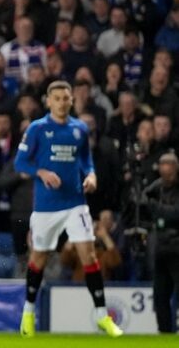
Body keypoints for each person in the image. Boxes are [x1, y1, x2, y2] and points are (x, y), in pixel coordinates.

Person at [14, 80, 123, 338]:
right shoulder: (37, 128)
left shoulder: (80, 128)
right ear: (49, 101)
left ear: (72, 100)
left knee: (89, 255)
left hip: (76, 203)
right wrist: (41, 171)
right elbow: (20, 162)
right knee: (38, 258)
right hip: (46, 206)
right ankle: (28, 313)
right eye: (58, 98)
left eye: (66, 98)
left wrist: (92, 175)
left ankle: (102, 316)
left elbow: (86, 160)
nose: (62, 102)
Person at [143, 152, 179, 333]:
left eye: (170, 168)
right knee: (160, 296)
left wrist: (156, 209)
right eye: (163, 168)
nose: (166, 173)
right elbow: (142, 199)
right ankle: (164, 334)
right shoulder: (157, 187)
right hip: (160, 248)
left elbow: (175, 214)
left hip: (177, 247)